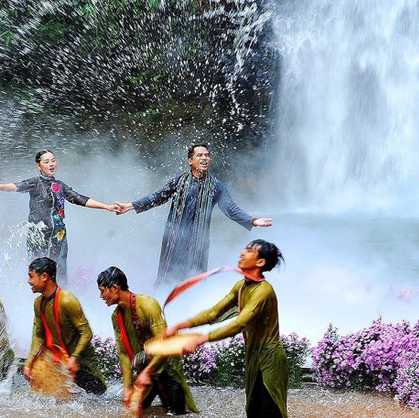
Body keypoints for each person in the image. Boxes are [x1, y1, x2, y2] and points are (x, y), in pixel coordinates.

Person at [115, 145, 273, 285]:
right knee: (167, 277)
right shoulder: (179, 181)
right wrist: (130, 206)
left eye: (207, 155)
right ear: (190, 161)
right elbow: (157, 197)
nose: (204, 158)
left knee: (195, 279)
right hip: (174, 239)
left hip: (199, 242)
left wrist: (252, 220)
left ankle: (192, 310)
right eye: (200, 155)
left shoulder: (216, 186)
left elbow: (230, 208)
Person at [166, 240, 288, 418]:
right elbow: (214, 312)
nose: (242, 253)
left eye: (248, 250)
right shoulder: (241, 286)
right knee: (253, 409)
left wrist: (202, 338)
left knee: (269, 409)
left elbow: (239, 324)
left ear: (260, 262)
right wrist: (179, 326)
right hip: (253, 354)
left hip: (270, 357)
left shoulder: (264, 291)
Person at [0, 150, 116, 285]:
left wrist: (106, 207)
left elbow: (80, 199)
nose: (51, 164)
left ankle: (62, 301)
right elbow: (16, 186)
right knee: (39, 275)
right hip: (38, 237)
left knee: (60, 274)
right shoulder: (35, 183)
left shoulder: (60, 186)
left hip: (59, 238)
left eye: (53, 160)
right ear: (38, 166)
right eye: (46, 162)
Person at [97, 266, 197, 414]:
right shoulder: (116, 317)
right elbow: (123, 354)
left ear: (115, 288)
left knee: (177, 413)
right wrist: (126, 388)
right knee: (135, 411)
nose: (101, 296)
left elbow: (164, 344)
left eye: (102, 290)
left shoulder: (147, 304)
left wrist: (146, 372)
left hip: (166, 368)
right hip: (145, 372)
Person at [25, 257, 106, 395]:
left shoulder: (67, 300)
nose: (29, 281)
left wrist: (74, 358)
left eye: (31, 276)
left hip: (81, 364)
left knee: (96, 400)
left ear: (44, 276)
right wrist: (29, 362)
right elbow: (38, 335)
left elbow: (86, 333)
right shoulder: (38, 303)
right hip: (60, 361)